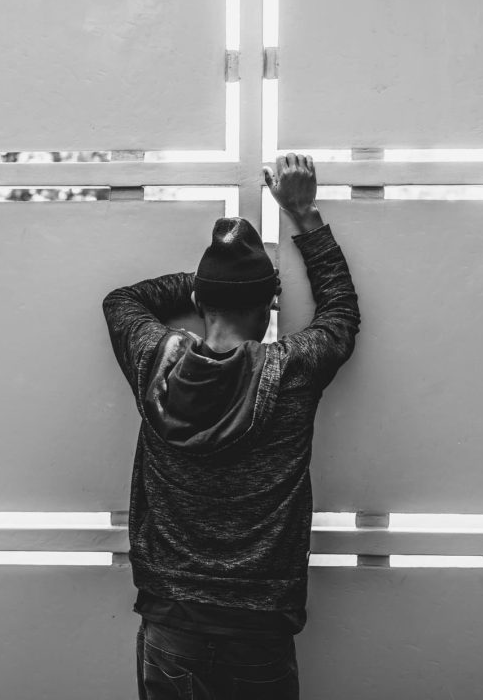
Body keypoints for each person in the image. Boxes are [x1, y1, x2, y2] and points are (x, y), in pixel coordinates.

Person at [102, 153, 360, 699]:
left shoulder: (154, 361)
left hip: (171, 622)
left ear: (200, 300)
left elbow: (123, 300)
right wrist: (304, 214)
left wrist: (206, 285)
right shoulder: (292, 371)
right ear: (269, 305)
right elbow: (340, 314)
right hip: (260, 632)